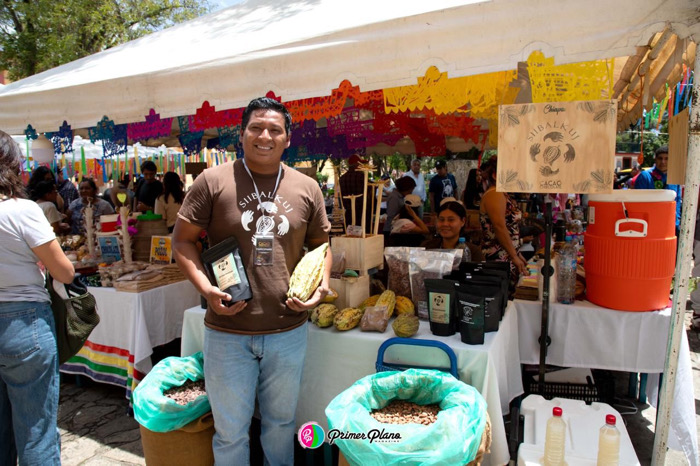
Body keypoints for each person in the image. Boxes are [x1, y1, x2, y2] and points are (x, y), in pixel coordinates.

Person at [173, 97, 331, 465]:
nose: (265, 136)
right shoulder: (212, 181)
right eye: (256, 127)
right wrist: (205, 288)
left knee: (280, 424)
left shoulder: (307, 187)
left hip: (287, 330)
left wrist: (320, 288)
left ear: (288, 138)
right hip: (228, 331)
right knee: (230, 433)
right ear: (241, 134)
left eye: (275, 129)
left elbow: (322, 244)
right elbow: (182, 240)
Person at [0, 129, 75, 465]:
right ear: (14, 164)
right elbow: (65, 272)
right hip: (24, 323)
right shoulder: (22, 210)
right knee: (36, 432)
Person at [479, 156, 529, 293]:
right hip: (498, 257)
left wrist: (516, 253)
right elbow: (499, 226)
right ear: (496, 175)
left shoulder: (502, 194)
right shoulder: (494, 194)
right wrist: (514, 255)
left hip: (507, 255)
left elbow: (509, 229)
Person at [634, 145, 683, 236]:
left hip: (671, 225)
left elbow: (677, 201)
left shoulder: (674, 178)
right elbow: (638, 203)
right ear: (655, 159)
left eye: (666, 159)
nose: (663, 162)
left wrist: (677, 220)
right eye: (660, 158)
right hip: (650, 225)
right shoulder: (645, 176)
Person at [338, 153, 371, 232]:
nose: (362, 166)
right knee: (363, 238)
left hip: (349, 213)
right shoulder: (362, 176)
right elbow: (371, 190)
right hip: (362, 213)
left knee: (351, 237)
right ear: (357, 164)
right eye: (361, 164)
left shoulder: (342, 178)